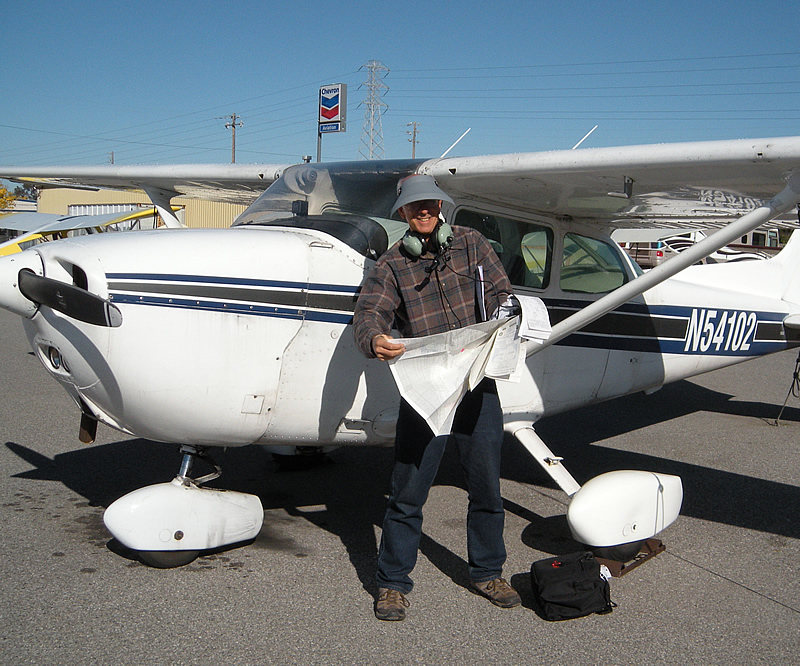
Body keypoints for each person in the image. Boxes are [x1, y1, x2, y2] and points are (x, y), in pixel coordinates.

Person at [353, 174, 521, 621]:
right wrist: (373, 339)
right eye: (413, 207)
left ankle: (487, 571)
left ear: (440, 208)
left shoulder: (472, 244)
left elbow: (503, 292)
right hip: (427, 388)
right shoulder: (390, 264)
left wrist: (507, 310)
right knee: (407, 491)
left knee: (486, 485)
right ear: (403, 214)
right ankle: (392, 584)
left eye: (429, 205)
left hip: (476, 385)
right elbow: (369, 312)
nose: (423, 212)